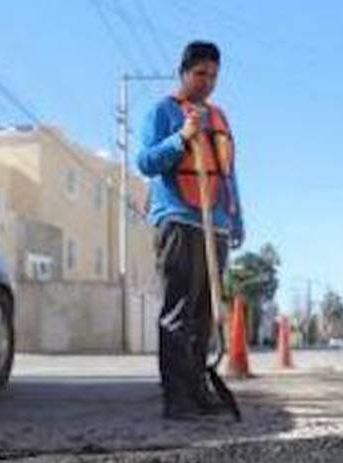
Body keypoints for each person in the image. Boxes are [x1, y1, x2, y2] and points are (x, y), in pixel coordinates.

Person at [137, 41, 245, 419]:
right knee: (178, 312)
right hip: (178, 221)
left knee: (203, 314)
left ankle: (200, 390)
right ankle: (177, 396)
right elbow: (146, 162)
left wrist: (236, 217)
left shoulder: (219, 117)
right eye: (200, 74)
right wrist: (182, 136)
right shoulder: (162, 113)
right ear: (183, 73)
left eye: (213, 76)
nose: (207, 82)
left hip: (214, 226)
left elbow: (228, 173)